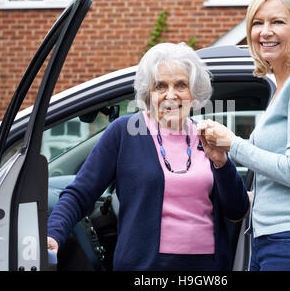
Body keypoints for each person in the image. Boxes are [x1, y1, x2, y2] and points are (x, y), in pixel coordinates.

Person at [47, 42, 250, 271]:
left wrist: (221, 162)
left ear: (193, 93)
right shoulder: (124, 132)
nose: (170, 95)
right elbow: (80, 193)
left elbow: (237, 210)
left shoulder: (207, 135)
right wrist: (54, 233)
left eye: (181, 85)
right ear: (148, 93)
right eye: (160, 86)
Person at [196, 0, 290, 271]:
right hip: (272, 238)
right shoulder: (280, 89)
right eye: (258, 23)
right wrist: (222, 157)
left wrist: (233, 143)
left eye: (277, 21)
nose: (265, 31)